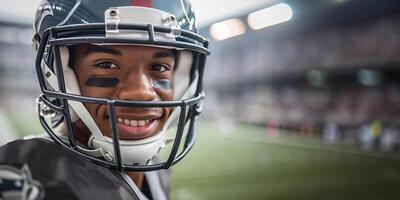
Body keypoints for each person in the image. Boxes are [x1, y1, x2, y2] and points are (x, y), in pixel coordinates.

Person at [0, 0, 210, 199]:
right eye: (106, 64)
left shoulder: (156, 170)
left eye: (159, 67)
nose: (141, 93)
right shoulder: (34, 175)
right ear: (57, 74)